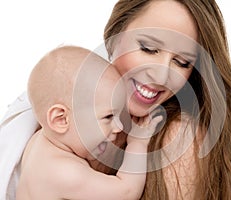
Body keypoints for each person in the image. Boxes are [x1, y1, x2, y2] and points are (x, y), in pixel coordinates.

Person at [0, 0, 231, 199]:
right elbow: (126, 191)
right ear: (115, 35)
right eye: (148, 48)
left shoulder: (178, 137)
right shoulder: (58, 110)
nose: (161, 74)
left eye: (182, 62)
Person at [16, 45, 163, 200]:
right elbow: (126, 192)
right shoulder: (65, 173)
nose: (119, 127)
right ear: (61, 119)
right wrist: (138, 143)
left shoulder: (37, 143)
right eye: (108, 117)